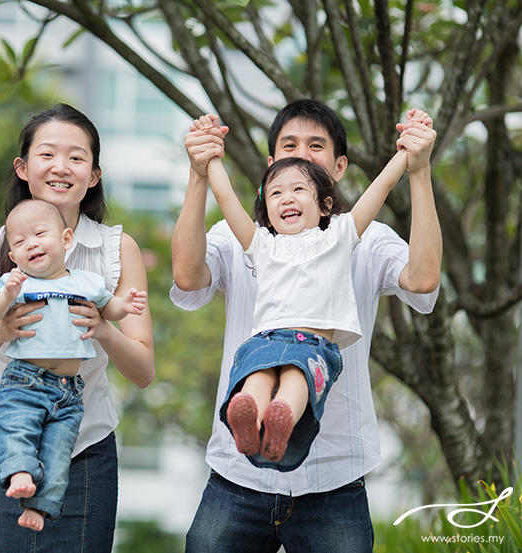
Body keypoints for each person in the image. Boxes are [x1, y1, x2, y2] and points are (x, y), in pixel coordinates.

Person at [171, 100, 442, 552]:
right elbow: (187, 278)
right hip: (237, 476)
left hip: (334, 478)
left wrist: (418, 169)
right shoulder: (243, 239)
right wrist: (201, 170)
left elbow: (423, 279)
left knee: (301, 371)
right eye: (289, 145)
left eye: (316, 146)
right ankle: (254, 416)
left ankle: (283, 413)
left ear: (337, 167)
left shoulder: (362, 237)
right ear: (270, 165)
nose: (302, 153)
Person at [0, 104, 154, 553]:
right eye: (47, 155)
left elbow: (142, 372)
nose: (62, 168)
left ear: (94, 175)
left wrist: (104, 330)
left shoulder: (117, 251)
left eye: (77, 158)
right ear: (23, 168)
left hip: (84, 449)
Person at [196, 111, 420, 473]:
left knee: (295, 378)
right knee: (257, 376)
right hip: (266, 339)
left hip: (311, 344)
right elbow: (224, 197)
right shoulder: (260, 243)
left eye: (299, 190)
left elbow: (378, 190)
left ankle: (278, 418)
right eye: (276, 192)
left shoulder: (339, 237)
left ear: (326, 204)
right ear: (266, 209)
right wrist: (211, 159)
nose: (287, 198)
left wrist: (407, 156)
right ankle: (250, 418)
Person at [0, 198, 147, 531]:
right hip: (24, 382)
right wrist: (5, 296)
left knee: (58, 451)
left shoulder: (85, 282)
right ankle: (20, 472)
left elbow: (107, 308)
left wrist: (124, 305)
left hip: (69, 392)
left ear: (66, 240)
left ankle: (39, 508)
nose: (32, 245)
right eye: (20, 242)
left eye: (40, 234)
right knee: (14, 427)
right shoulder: (20, 285)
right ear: (13, 257)